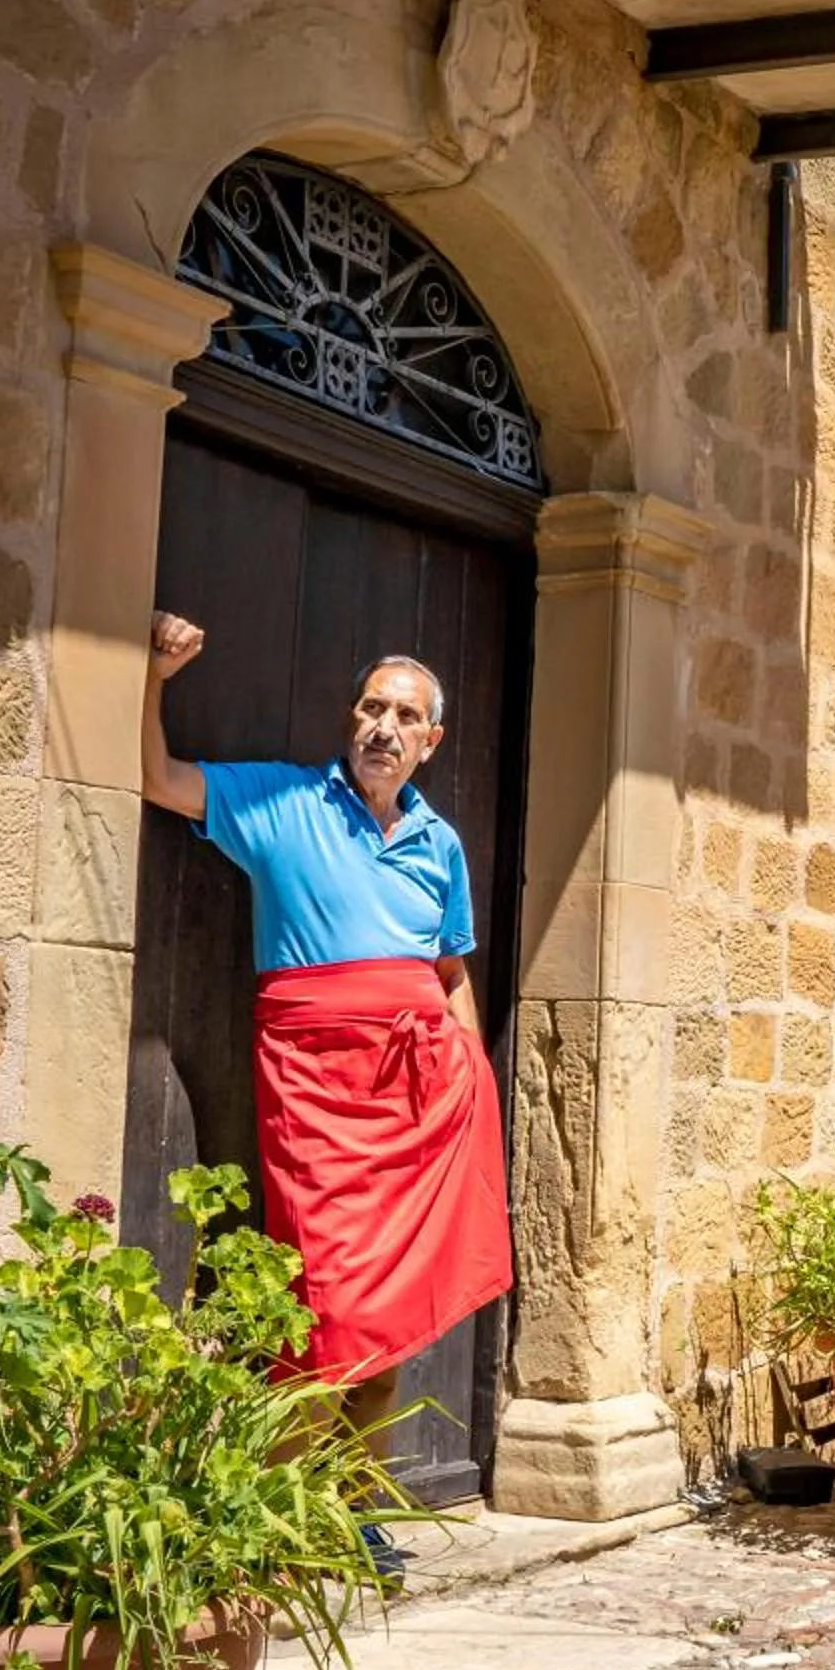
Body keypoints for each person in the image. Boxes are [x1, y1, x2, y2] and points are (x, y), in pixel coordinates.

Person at [139, 611, 513, 1577]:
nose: (382, 726)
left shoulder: (440, 846)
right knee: (327, 1296)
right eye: (370, 707)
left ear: (430, 743)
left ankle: (352, 1509)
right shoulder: (281, 804)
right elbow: (160, 779)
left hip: (416, 1098)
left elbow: (450, 970)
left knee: (385, 1308)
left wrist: (469, 1076)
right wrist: (153, 679)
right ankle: (286, 1507)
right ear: (350, 719)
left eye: (405, 716)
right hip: (316, 1088)